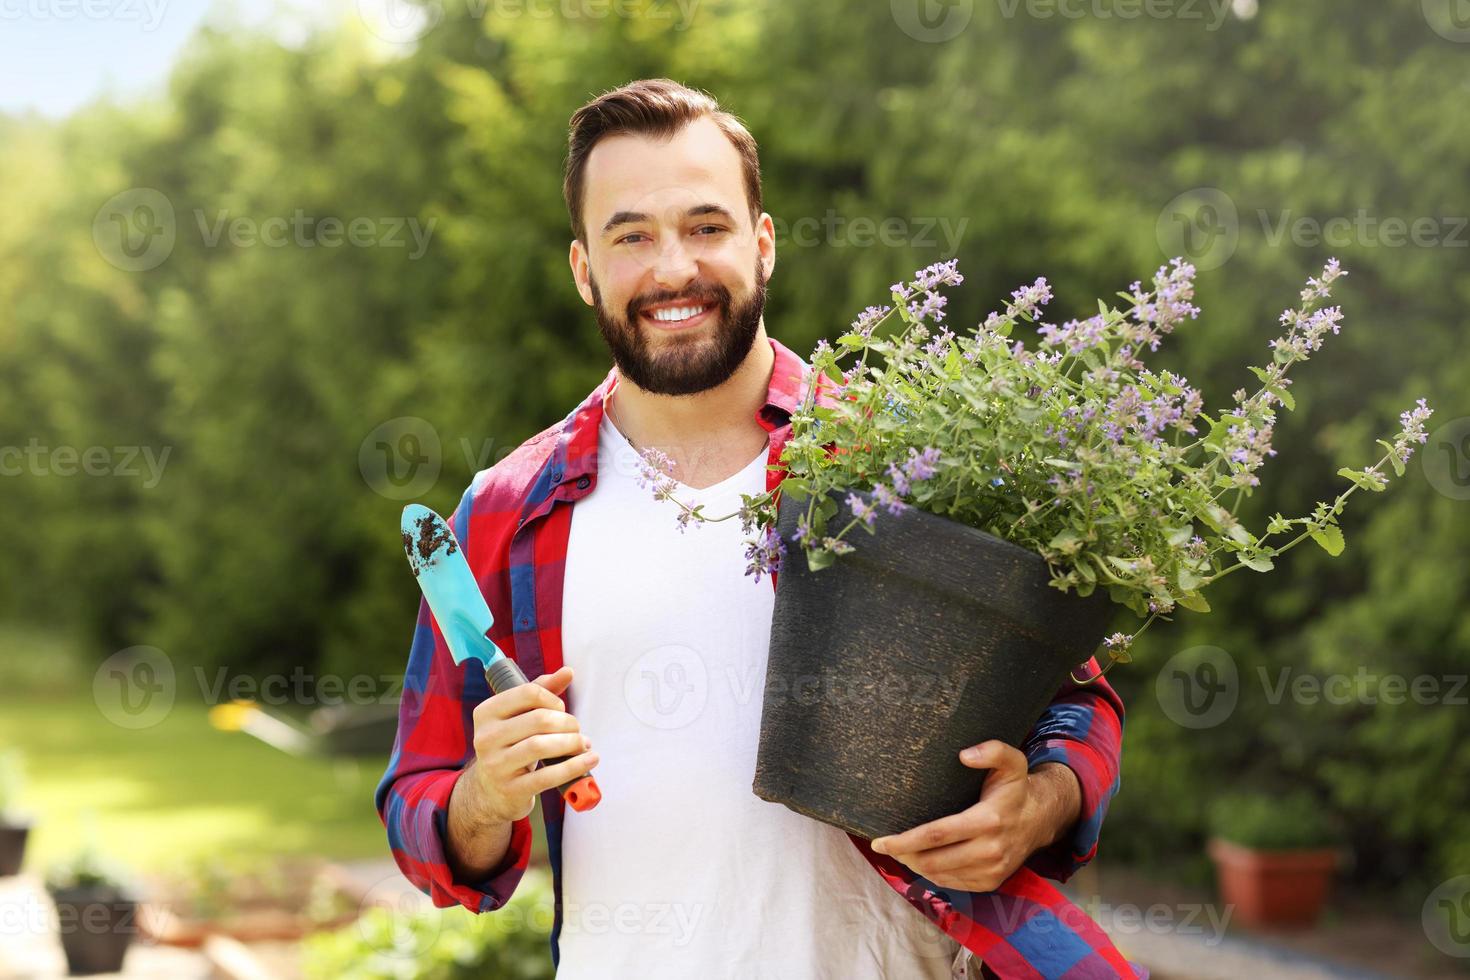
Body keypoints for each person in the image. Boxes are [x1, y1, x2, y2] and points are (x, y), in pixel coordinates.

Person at [376, 78, 1139, 979]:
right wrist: (483, 795)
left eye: (706, 227)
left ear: (762, 243)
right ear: (584, 269)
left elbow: (1078, 702)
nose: (672, 270)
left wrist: (1039, 803)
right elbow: (419, 814)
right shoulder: (503, 513)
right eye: (631, 237)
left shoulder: (906, 460)